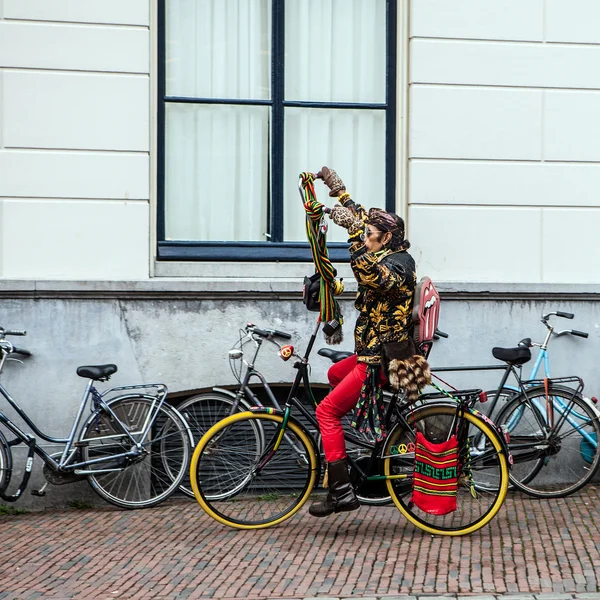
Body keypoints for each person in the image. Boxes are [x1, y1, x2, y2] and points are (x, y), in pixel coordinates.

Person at [309, 166, 430, 518]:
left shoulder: (399, 266)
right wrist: (339, 192)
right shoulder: (384, 243)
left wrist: (350, 235)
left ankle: (341, 491)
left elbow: (370, 276)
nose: (366, 236)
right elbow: (363, 221)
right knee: (334, 375)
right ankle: (368, 434)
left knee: (325, 411)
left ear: (386, 239)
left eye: (370, 235)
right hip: (367, 353)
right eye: (365, 233)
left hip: (380, 358)